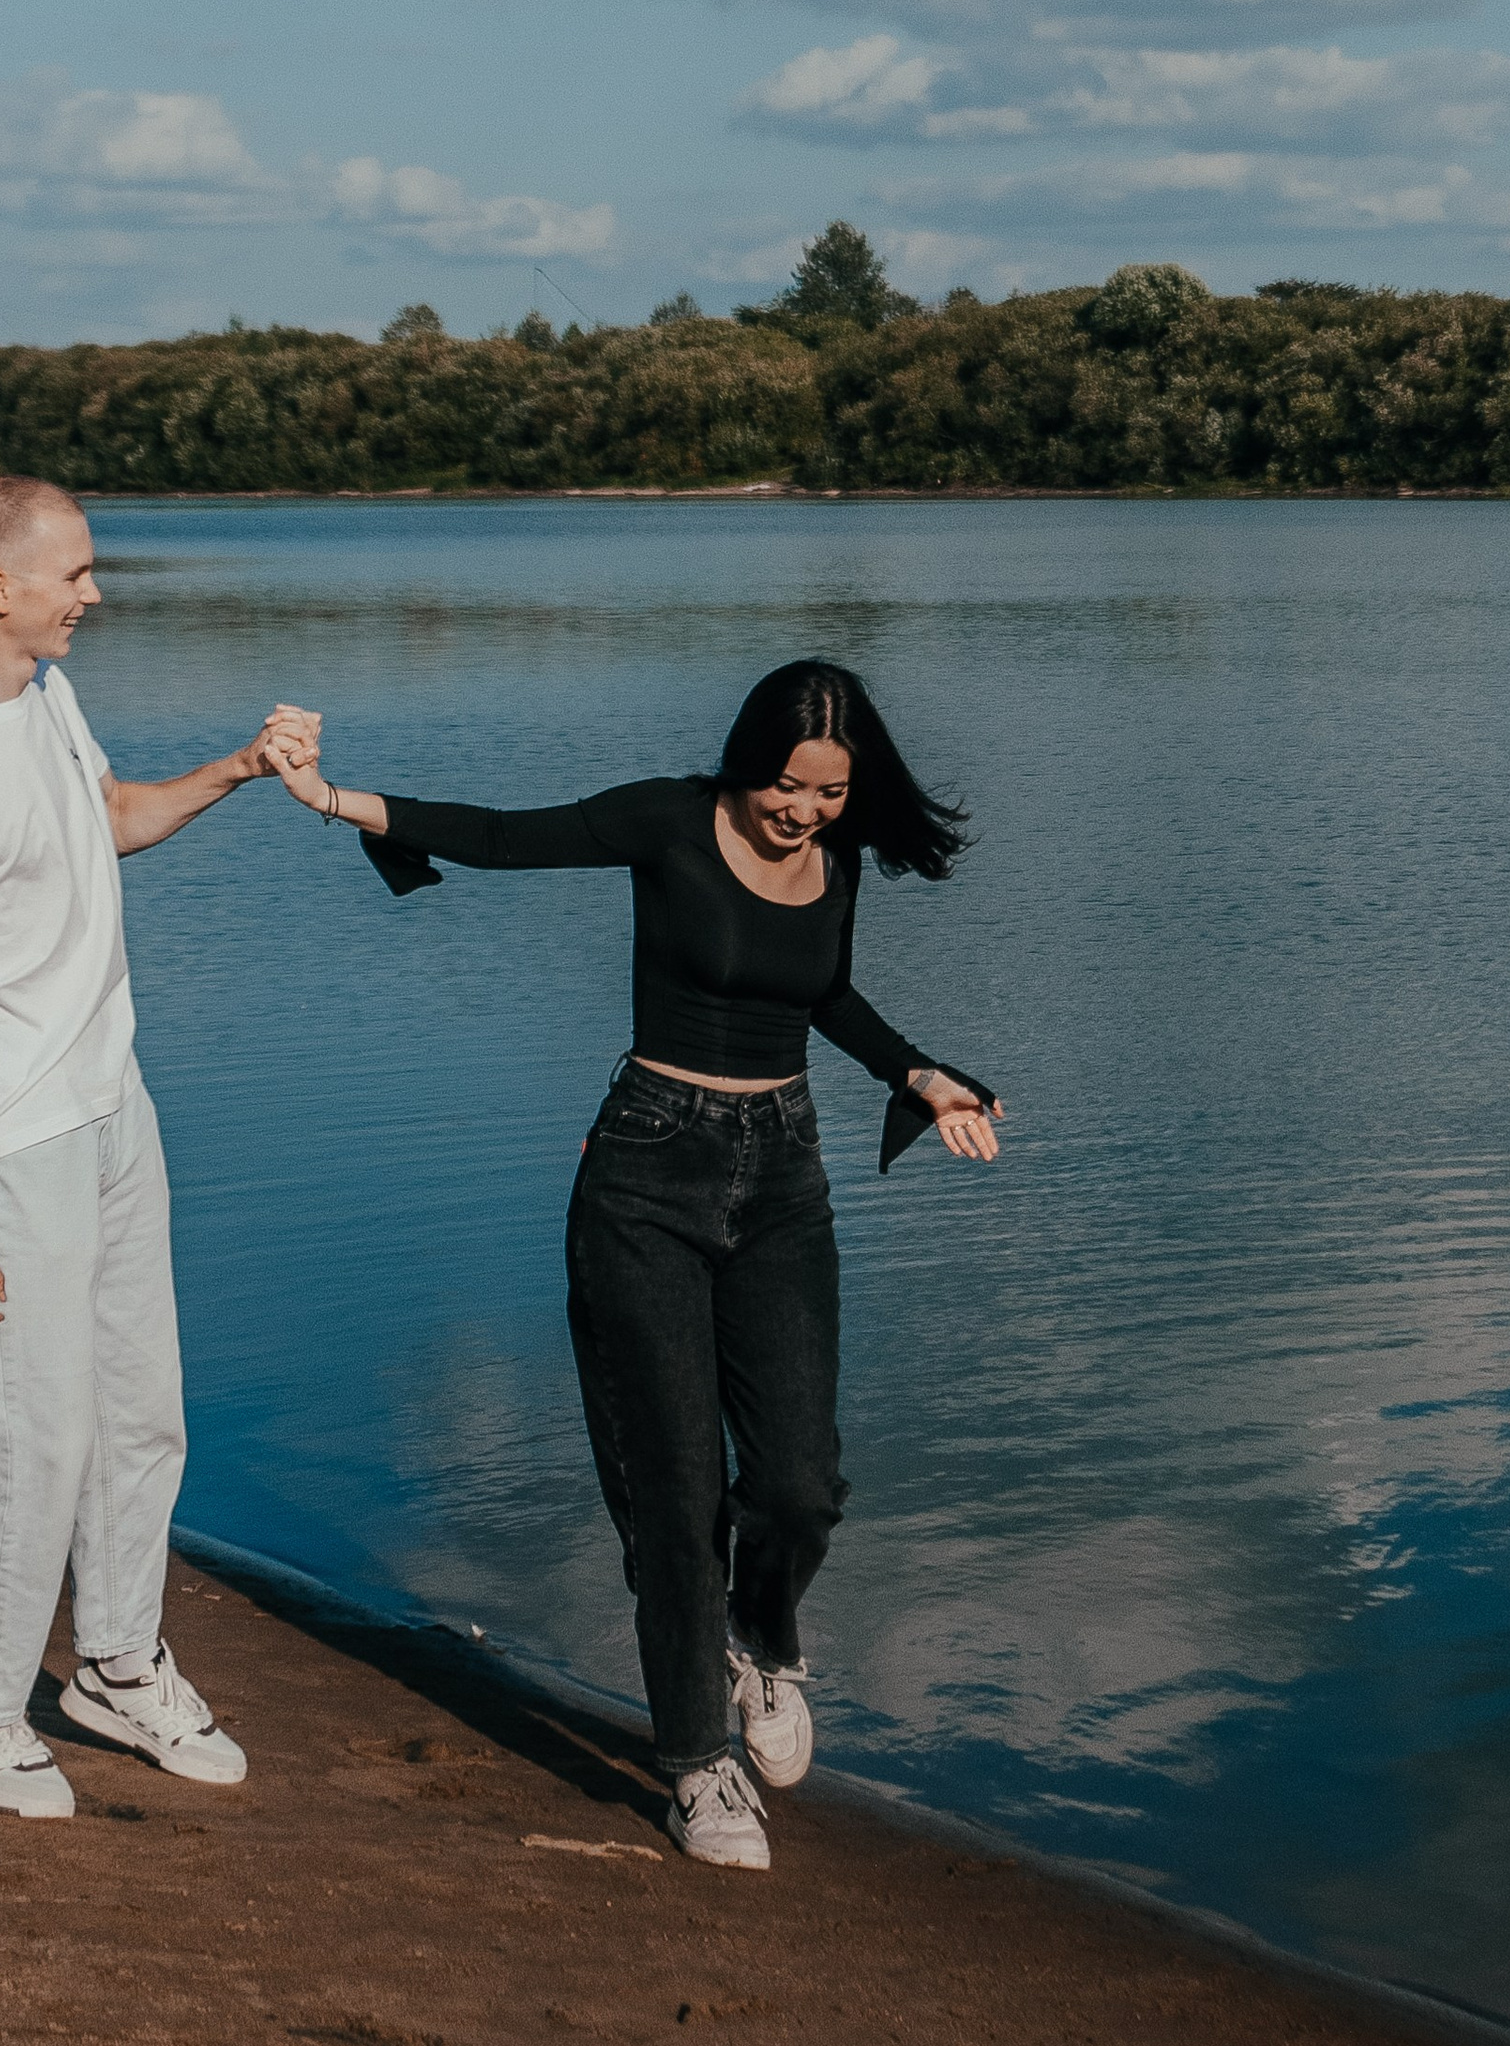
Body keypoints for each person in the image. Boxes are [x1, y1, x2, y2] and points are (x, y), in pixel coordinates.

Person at [265, 658, 1001, 1872]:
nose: (803, 811)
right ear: (746, 756)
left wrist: (915, 1070)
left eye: (827, 793)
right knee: (672, 1489)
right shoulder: (671, 816)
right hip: (647, 1173)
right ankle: (696, 1763)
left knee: (800, 1482)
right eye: (786, 785)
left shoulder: (839, 854)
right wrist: (339, 800)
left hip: (784, 1177)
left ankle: (760, 1642)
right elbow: (508, 837)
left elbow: (823, 991)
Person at [0, 471, 316, 1819]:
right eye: (76, 573)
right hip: (4, 1145)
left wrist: (239, 766)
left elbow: (107, 820)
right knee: (32, 1443)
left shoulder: (50, 699)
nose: (94, 595)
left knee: (139, 1414)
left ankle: (115, 1664)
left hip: (116, 1109)